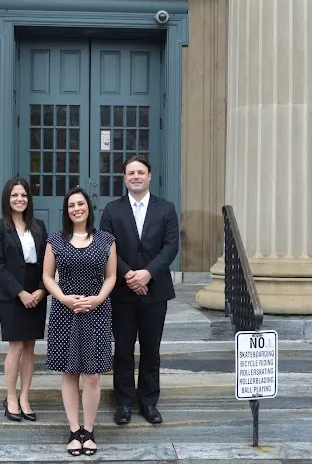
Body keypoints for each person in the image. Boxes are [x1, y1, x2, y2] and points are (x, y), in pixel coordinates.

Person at [99, 154, 179, 425]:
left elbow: (170, 247)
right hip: (122, 292)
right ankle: (123, 403)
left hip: (155, 291)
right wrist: (129, 275)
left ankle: (148, 402)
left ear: (149, 176)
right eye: (131, 173)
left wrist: (147, 274)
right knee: (123, 349)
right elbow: (106, 245)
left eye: (140, 172)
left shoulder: (166, 209)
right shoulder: (112, 210)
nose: (136, 176)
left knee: (151, 349)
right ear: (125, 178)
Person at [42, 187, 117, 456]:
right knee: (69, 371)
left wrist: (98, 299)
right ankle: (74, 431)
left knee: (93, 374)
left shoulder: (106, 239)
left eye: (81, 203)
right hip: (66, 312)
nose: (77, 208)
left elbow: (111, 276)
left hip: (97, 311)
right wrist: (63, 298)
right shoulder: (56, 240)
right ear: (66, 210)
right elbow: (47, 276)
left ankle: (89, 430)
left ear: (89, 207)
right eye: (71, 205)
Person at [0, 177, 48, 422]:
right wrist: (20, 292)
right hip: (11, 293)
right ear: (7, 199)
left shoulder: (39, 226)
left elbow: (48, 261)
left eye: (23, 195)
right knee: (16, 346)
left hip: (37, 292)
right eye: (14, 195)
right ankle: (11, 397)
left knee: (30, 346)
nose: (19, 199)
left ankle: (25, 397)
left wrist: (42, 289)